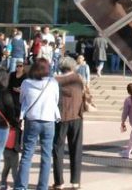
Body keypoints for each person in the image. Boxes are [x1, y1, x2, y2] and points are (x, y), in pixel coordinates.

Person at [15, 58, 60, 190]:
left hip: (32, 119)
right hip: (48, 119)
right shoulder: (53, 83)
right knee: (46, 155)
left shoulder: (26, 83)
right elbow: (56, 100)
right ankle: (42, 186)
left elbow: (21, 99)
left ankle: (21, 186)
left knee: (27, 153)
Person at [52, 57, 85, 189]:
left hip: (61, 118)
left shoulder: (55, 80)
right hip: (77, 116)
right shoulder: (78, 79)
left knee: (58, 149)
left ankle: (59, 182)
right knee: (76, 148)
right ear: (72, 67)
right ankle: (75, 181)